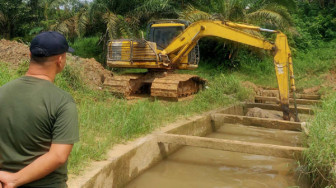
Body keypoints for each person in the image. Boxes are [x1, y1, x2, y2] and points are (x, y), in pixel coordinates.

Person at [0, 31, 79, 188]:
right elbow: (58, 156)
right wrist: (13, 180)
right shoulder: (62, 101)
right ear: (60, 59)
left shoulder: (2, 91)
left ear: (30, 55)